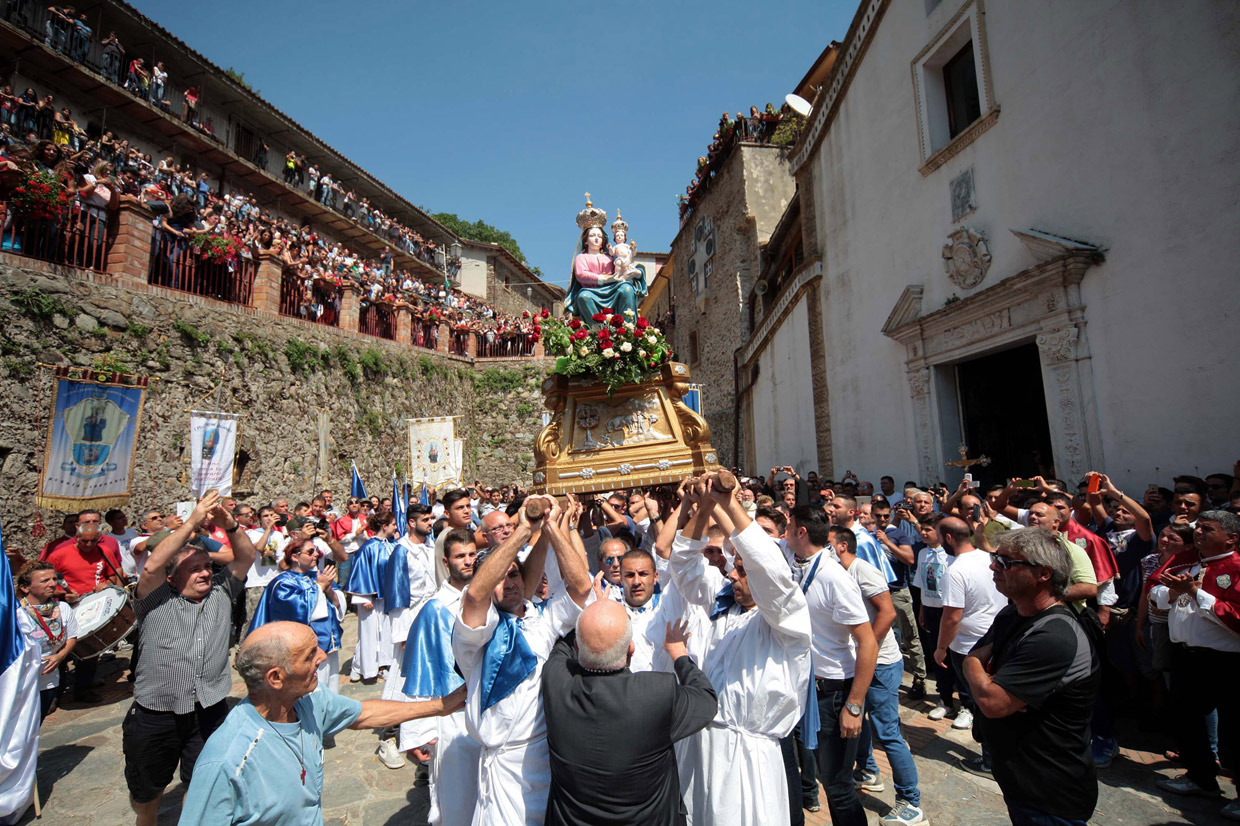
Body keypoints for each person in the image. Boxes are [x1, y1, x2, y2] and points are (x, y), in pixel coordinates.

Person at [177, 622, 464, 826]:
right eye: (310, 654)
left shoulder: (309, 701)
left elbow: (363, 713)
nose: (323, 657)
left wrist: (440, 707)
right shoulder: (227, 761)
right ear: (276, 678)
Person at [670, 473, 814, 826]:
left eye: (740, 570)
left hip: (747, 758)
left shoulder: (786, 620)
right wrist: (703, 508)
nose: (732, 576)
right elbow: (684, 567)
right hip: (704, 746)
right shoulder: (725, 608)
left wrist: (729, 500)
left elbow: (767, 568)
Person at [453, 496, 591, 825]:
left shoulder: (541, 620)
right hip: (503, 766)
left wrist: (552, 528)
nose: (510, 584)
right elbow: (475, 594)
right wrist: (523, 531)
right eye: (500, 578)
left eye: (515, 576)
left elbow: (583, 586)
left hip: (546, 755)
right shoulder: (476, 633)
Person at [122, 490, 255, 826]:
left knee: (203, 778)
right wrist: (194, 520)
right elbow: (152, 563)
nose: (205, 573)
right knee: (146, 790)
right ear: (171, 578)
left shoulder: (222, 593)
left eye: (207, 566)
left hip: (208, 709)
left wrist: (231, 525)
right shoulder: (152, 599)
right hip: (157, 711)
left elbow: (245, 557)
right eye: (193, 569)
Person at [963, 528, 1101, 826]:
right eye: (996, 558)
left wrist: (974, 663)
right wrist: (983, 671)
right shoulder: (1012, 615)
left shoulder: (1055, 636)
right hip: (1019, 781)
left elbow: (993, 701)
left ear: (1043, 574)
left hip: (1050, 793)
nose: (993, 567)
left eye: (1007, 563)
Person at [542, 598, 717, 826]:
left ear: (578, 646)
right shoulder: (657, 693)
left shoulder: (555, 681)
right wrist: (680, 657)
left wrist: (592, 611)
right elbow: (706, 700)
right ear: (631, 649)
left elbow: (561, 649)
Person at [830, 527, 926, 825]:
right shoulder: (837, 573)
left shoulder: (864, 571)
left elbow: (887, 612)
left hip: (880, 664)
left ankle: (911, 801)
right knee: (858, 720)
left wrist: (866, 648)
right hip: (858, 664)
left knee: (889, 732)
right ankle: (869, 770)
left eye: (829, 543)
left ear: (842, 546)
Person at [1150, 510, 1240, 817]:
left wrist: (1197, 593)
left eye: (1207, 529)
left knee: (1235, 730)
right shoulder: (1188, 559)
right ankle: (1201, 779)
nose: (1198, 533)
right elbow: (1156, 593)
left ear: (1231, 538)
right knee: (1189, 720)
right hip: (1187, 656)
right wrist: (1173, 591)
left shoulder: (1236, 567)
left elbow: (1236, 616)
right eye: (1197, 527)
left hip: (1226, 660)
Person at [399, 529, 481, 826]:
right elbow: (421, 673)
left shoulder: (487, 598)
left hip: (487, 713)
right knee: (457, 802)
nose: (468, 561)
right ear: (446, 561)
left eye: (473, 554)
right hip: (452, 717)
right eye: (461, 556)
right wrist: (418, 732)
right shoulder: (434, 611)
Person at [935, 516, 1006, 774]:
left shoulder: (955, 570)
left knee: (981, 705)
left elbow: (952, 616)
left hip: (969, 647)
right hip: (997, 638)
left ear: (949, 539)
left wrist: (941, 647)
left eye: (940, 537)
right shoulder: (988, 557)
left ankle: (991, 760)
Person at [375, 504, 438, 767]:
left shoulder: (431, 547)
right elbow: (397, 594)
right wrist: (402, 633)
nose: (430, 523)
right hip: (411, 619)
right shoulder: (401, 552)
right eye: (425, 519)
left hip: (432, 615)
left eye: (431, 518)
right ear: (411, 523)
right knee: (404, 673)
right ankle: (390, 730)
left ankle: (424, 726)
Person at [246, 535, 345, 691]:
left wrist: (329, 591)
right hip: (306, 650)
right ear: (295, 557)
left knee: (331, 690)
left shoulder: (318, 576)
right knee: (313, 691)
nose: (316, 555)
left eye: (316, 551)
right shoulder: (284, 582)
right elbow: (296, 611)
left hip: (329, 644)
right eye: (310, 552)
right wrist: (319, 588)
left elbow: (337, 604)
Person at [15, 561, 78, 720]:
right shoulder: (17, 614)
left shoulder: (63, 608)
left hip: (48, 681)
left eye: (53, 579)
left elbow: (72, 637)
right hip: (20, 683)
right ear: (25, 587)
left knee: (35, 727)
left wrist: (60, 656)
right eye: (45, 581)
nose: (52, 584)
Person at [345, 511, 396, 682]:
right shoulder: (368, 548)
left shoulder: (391, 545)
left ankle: (384, 664)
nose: (396, 527)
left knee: (386, 632)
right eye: (393, 524)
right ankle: (361, 666)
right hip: (371, 598)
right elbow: (361, 572)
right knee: (369, 633)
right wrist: (364, 598)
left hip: (388, 598)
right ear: (384, 526)